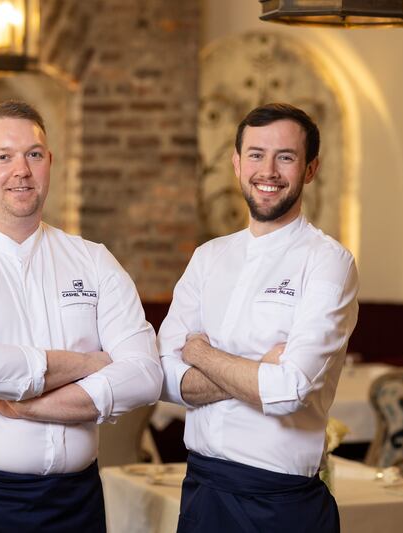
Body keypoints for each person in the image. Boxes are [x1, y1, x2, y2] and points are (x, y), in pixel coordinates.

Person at [0, 100, 162, 533]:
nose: (21, 169)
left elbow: (145, 375)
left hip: (75, 503)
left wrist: (26, 408)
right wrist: (90, 364)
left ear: (50, 162)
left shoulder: (93, 260)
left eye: (34, 154)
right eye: (3, 157)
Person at [158, 103, 359, 533]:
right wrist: (257, 372)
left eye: (285, 157)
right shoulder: (208, 257)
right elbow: (163, 379)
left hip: (282, 503)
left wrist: (201, 353)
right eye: (255, 154)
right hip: (201, 492)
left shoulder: (328, 263)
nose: (267, 170)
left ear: (310, 169)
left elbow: (287, 392)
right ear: (236, 163)